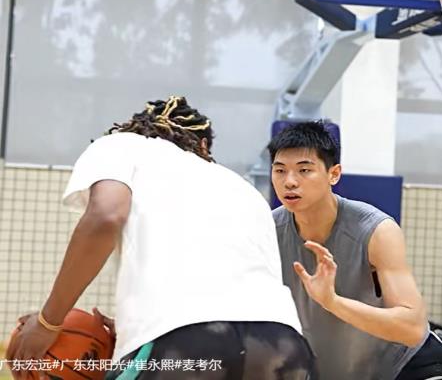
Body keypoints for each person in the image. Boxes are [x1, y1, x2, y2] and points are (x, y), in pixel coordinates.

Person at [7, 96, 317, 380]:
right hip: (284, 345)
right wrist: (134, 326)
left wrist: (48, 322)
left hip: (184, 344)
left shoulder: (122, 144)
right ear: (204, 146)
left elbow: (106, 216)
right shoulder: (241, 187)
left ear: (135, 127)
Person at [268, 121, 442, 380]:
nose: (289, 182)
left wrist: (332, 302)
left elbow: (412, 329)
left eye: (304, 170)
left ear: (334, 174)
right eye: (280, 170)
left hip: (404, 368)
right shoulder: (267, 230)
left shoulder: (377, 230)